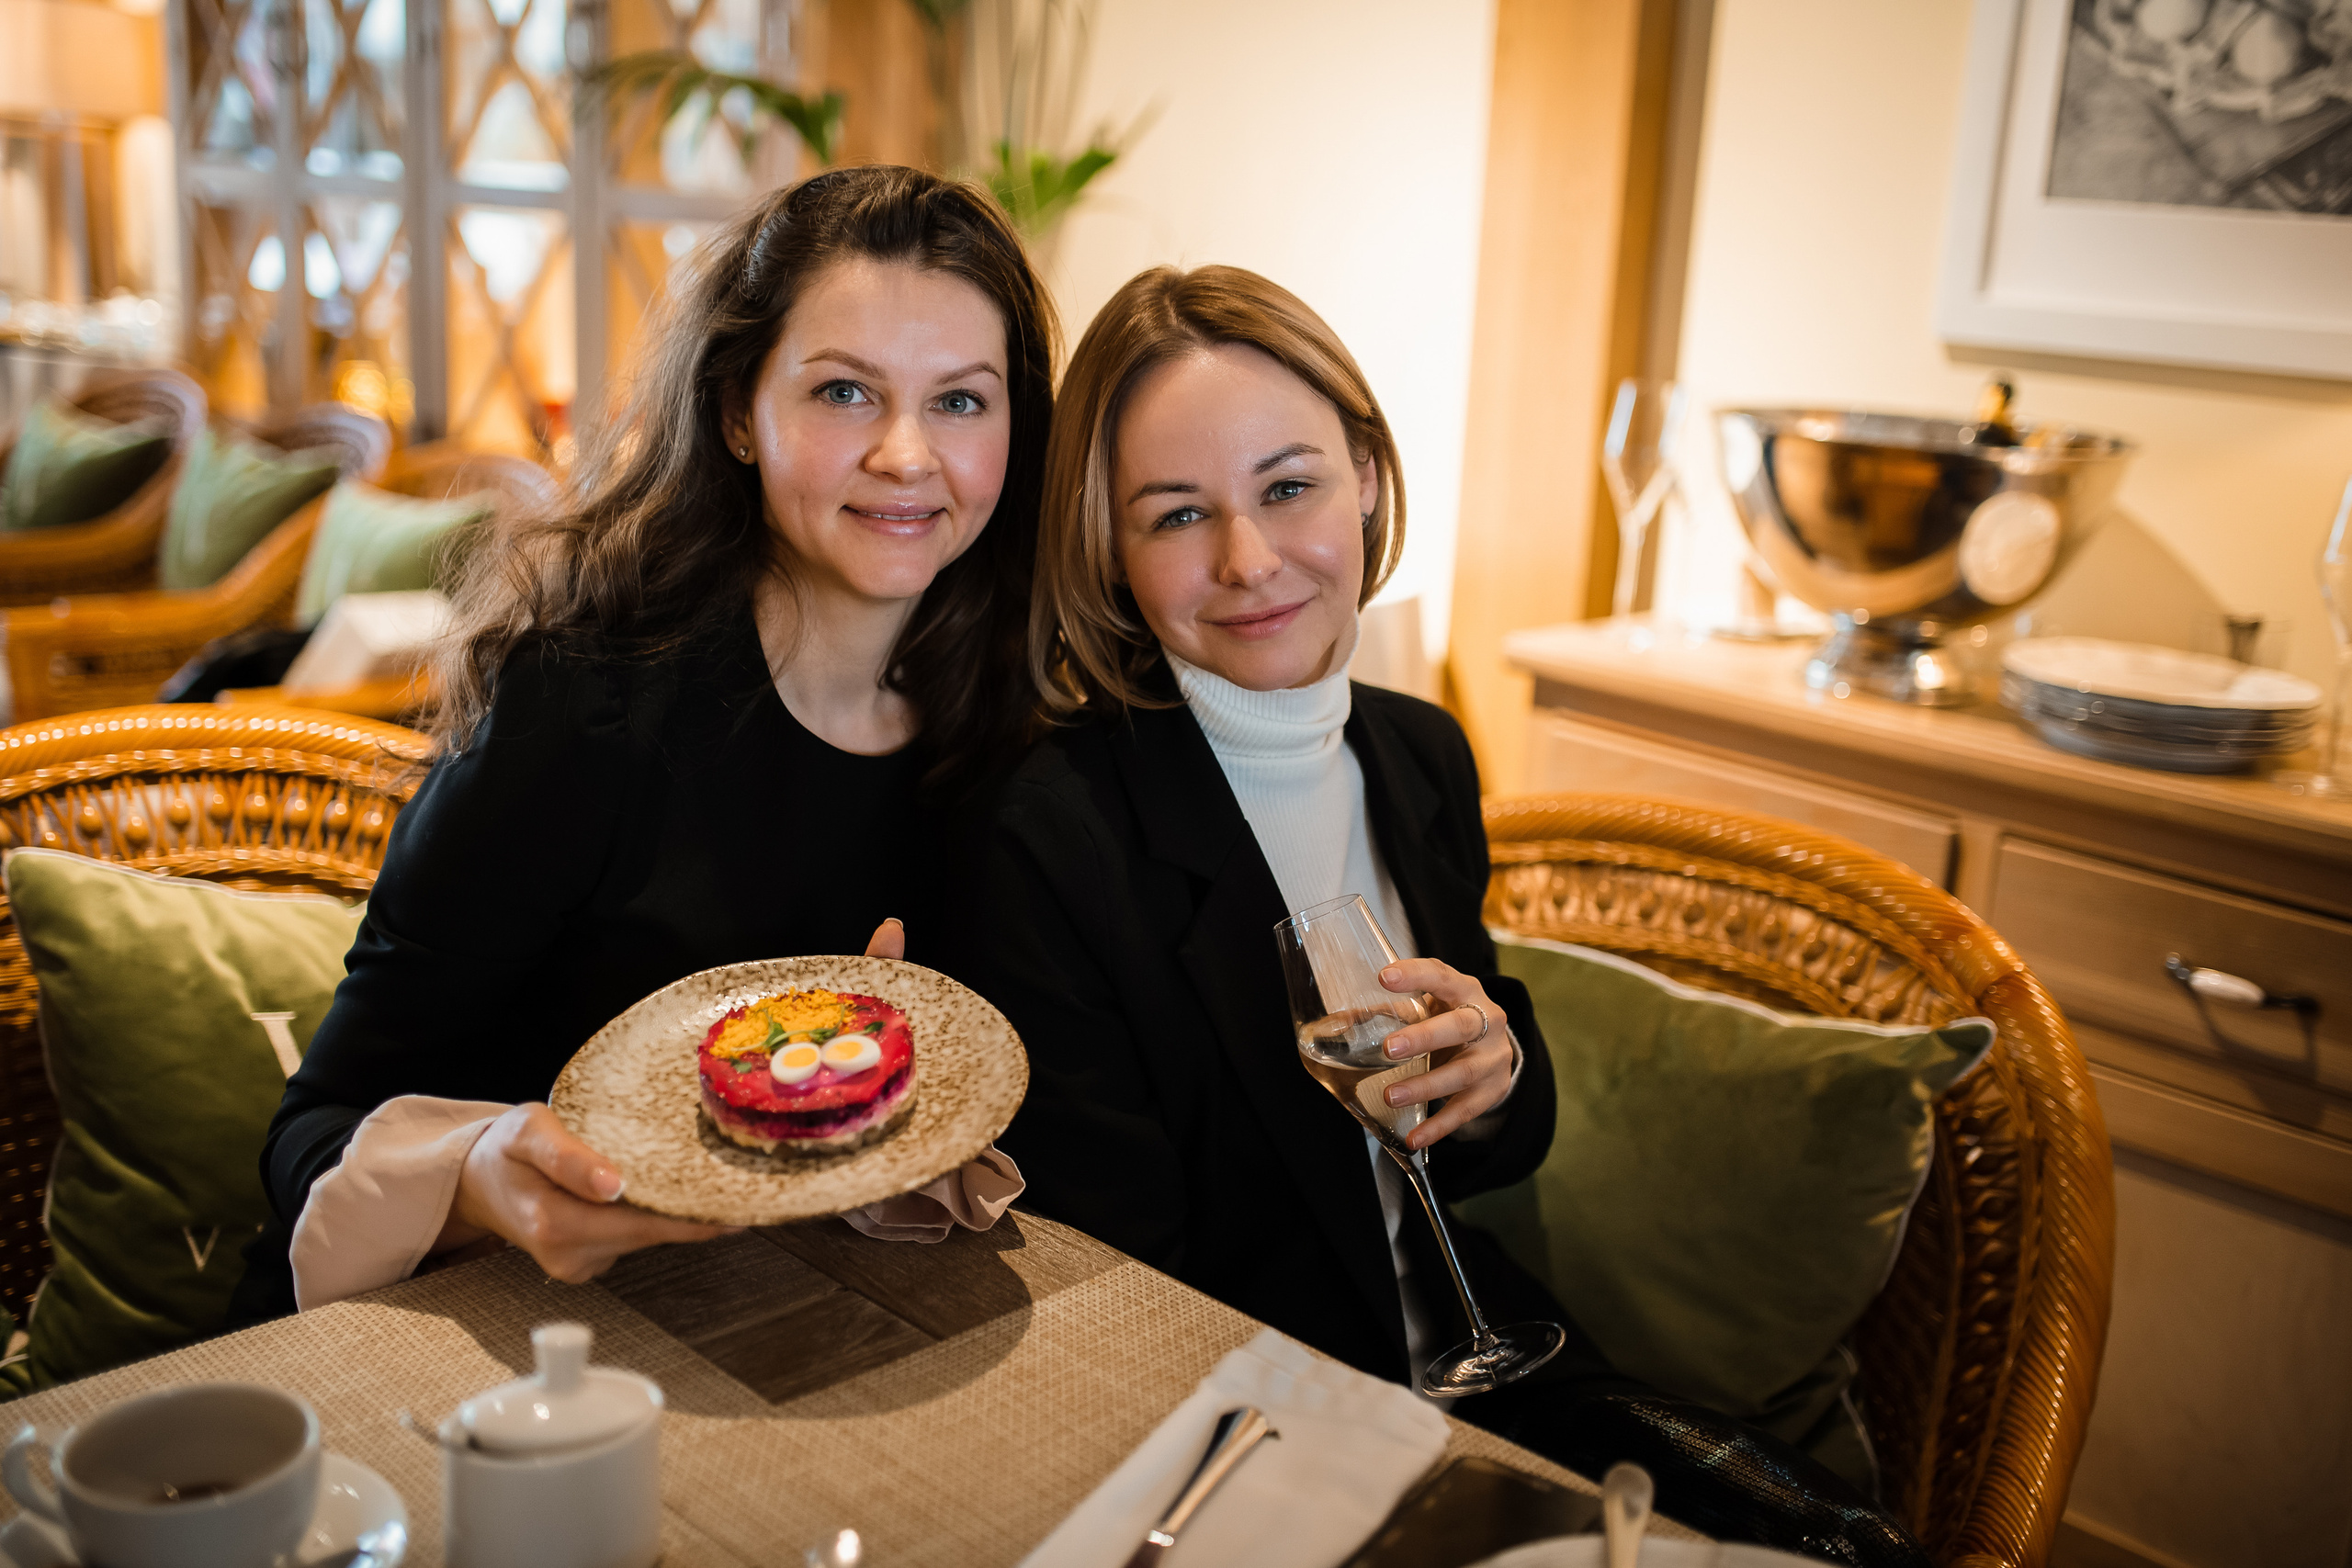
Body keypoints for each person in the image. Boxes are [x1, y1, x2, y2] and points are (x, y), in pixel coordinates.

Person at [939, 264, 1928, 1566]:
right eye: (1178, 514)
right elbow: (1124, 1282)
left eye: (1289, 486)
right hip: (1245, 1428)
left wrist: (1497, 1066)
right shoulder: (1053, 832)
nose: (1247, 559)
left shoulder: (1423, 755)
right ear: (1108, 553)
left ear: (1364, 474)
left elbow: (1477, 1147)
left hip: (1496, 1360)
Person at [234, 165, 1054, 1320]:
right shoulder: (582, 702)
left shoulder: (1007, 722)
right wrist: (480, 1178)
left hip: (780, 1321)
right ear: (735, 411)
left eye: (961, 401)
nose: (909, 455)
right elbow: (309, 1139)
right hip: (476, 1334)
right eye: (844, 394)